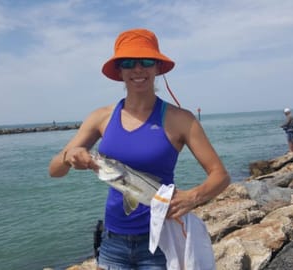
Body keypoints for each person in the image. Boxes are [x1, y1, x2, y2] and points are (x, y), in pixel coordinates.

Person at [48, 28, 230, 269]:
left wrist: (192, 197)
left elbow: (221, 175)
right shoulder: (101, 117)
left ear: (157, 67)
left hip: (161, 241)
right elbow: (54, 170)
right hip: (112, 244)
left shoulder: (180, 119)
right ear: (119, 70)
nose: (138, 69)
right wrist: (68, 156)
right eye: (128, 63)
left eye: (146, 61)